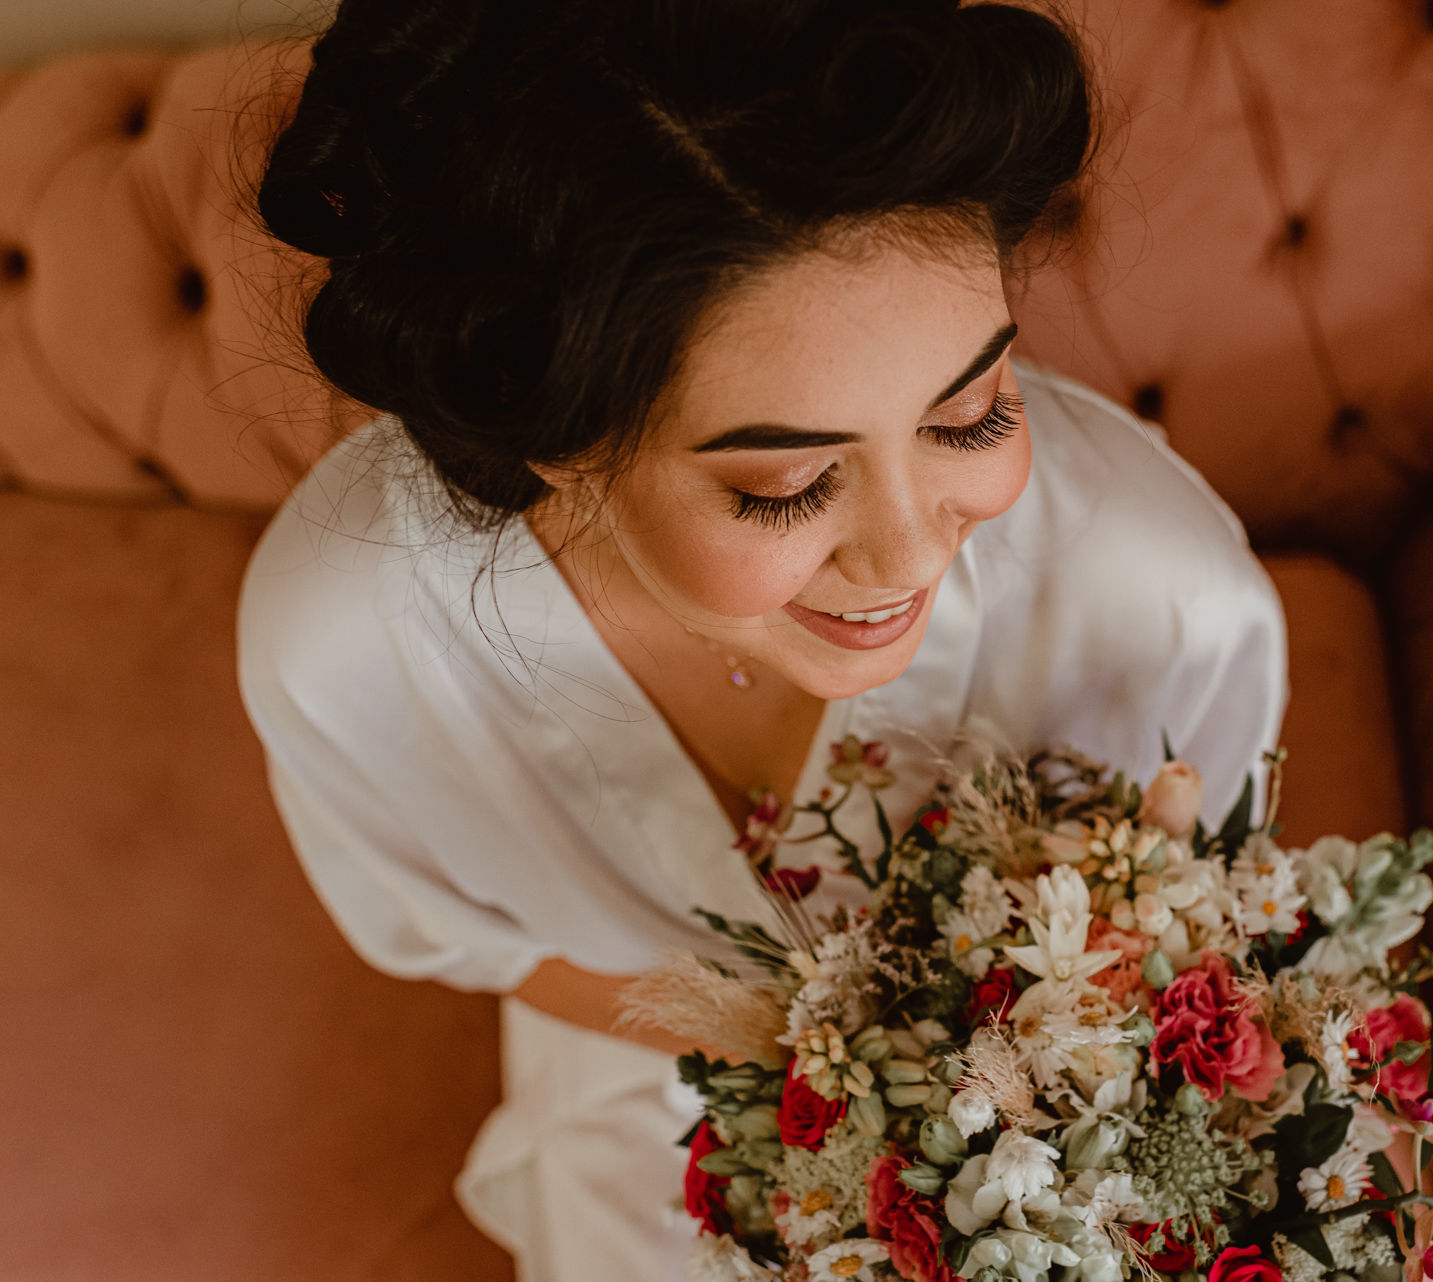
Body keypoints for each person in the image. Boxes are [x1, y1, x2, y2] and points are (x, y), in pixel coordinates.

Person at [236, 1, 1289, 1277]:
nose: (910, 555)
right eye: (784, 487)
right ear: (551, 436)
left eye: (970, 412)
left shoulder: (1162, 603)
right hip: (637, 1134)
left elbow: (1197, 941)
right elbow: (493, 943)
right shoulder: (357, 646)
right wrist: (811, 1064)